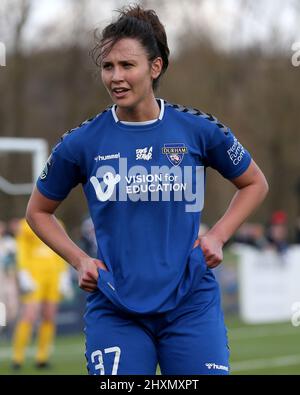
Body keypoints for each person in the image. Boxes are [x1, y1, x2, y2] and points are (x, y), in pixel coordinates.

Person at [25, 5, 269, 375]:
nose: (115, 77)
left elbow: (254, 183)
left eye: (127, 65)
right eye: (108, 67)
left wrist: (218, 235)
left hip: (191, 302)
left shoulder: (197, 130)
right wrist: (79, 259)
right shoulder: (80, 144)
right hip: (115, 306)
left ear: (154, 68)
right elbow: (37, 211)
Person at [11, 218, 73, 369]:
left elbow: (62, 248)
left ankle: (42, 357)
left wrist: (64, 275)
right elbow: (22, 249)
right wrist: (23, 273)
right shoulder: (25, 224)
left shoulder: (59, 223)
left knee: (49, 315)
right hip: (34, 275)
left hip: (53, 275)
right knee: (29, 315)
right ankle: (17, 358)